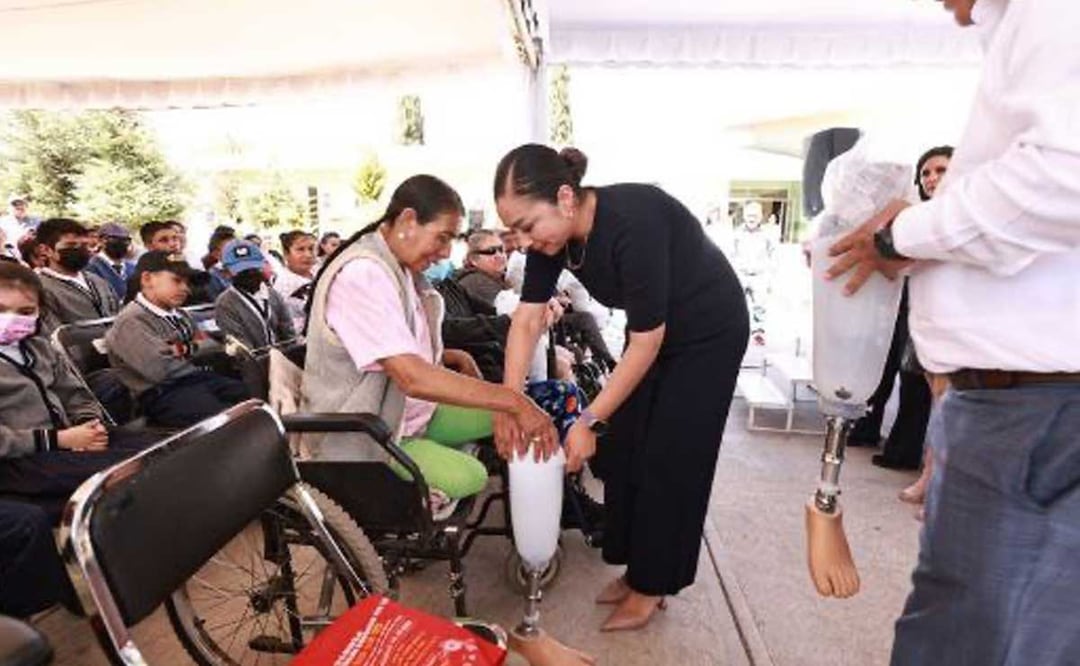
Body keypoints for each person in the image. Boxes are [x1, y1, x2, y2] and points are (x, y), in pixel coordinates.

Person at [827, 1, 1080, 662]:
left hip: (1037, 409)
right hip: (1023, 404)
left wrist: (903, 234)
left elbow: (1066, 174)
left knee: (966, 639)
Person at [493, 144, 749, 632]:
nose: (523, 241)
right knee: (624, 447)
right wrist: (509, 402)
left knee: (672, 455)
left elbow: (646, 340)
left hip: (708, 332)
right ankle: (638, 571)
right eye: (515, 231)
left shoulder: (635, 220)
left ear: (566, 198)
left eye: (527, 225)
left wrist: (588, 419)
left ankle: (654, 585)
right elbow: (526, 322)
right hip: (654, 337)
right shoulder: (554, 241)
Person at [301, 175, 558, 506]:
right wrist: (511, 401)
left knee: (521, 412)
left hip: (408, 412)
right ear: (408, 220)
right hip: (374, 431)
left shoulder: (400, 268)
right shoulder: (363, 273)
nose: (447, 252)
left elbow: (395, 349)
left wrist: (467, 366)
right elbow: (412, 376)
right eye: (442, 237)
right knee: (472, 474)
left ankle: (547, 512)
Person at [0, 262, 156, 517]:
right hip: (19, 460)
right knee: (130, 471)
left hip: (68, 438)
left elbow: (73, 392)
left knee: (161, 449)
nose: (12, 319)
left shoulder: (39, 347)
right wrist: (59, 439)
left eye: (26, 311)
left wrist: (89, 424)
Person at [850, 147, 953, 469]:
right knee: (901, 377)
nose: (932, 178)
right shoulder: (915, 215)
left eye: (941, 170)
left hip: (949, 318)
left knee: (932, 394)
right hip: (910, 306)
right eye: (926, 173)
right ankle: (905, 453)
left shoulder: (952, 219)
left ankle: (912, 458)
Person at [106, 251, 249, 428]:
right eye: (177, 280)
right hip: (162, 394)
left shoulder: (180, 314)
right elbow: (160, 369)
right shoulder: (131, 321)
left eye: (187, 282)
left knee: (253, 398)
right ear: (147, 279)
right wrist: (196, 349)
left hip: (197, 379)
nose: (186, 289)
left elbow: (213, 346)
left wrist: (179, 350)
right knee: (228, 422)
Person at [34, 218, 119, 333]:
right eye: (71, 245)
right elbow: (52, 336)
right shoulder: (39, 288)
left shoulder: (98, 281)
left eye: (84, 245)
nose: (80, 250)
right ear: (46, 250)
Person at [214, 239, 295, 349]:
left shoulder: (273, 295)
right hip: (254, 362)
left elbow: (288, 332)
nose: (249, 274)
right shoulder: (225, 304)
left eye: (253, 268)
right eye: (241, 271)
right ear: (227, 273)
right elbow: (241, 347)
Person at [273, 230, 317, 330]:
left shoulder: (319, 272)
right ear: (286, 254)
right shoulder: (282, 285)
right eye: (300, 249)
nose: (308, 255)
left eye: (311, 249)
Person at [86, 222, 137, 300]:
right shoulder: (90, 267)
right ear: (101, 240)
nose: (121, 243)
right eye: (115, 239)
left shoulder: (133, 268)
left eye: (125, 240)